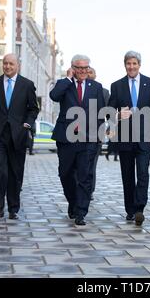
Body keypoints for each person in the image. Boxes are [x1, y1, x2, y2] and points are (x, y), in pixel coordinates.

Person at [50, 55, 105, 226]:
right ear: (72, 68)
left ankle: (81, 212)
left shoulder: (96, 87)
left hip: (88, 139)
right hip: (66, 138)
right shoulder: (64, 84)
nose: (82, 71)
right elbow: (54, 96)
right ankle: (73, 203)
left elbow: (101, 113)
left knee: (84, 176)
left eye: (85, 68)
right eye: (79, 68)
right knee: (65, 173)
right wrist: (67, 78)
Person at [0, 54, 39, 220]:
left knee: (15, 172)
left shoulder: (27, 85)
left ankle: (13, 207)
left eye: (11, 64)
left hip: (18, 135)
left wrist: (27, 125)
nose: (7, 66)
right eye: (5, 63)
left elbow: (33, 109)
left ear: (18, 65)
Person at [108, 51, 150, 226]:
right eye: (128, 63)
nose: (131, 67)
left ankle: (139, 209)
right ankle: (130, 209)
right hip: (125, 138)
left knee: (143, 173)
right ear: (125, 65)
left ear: (139, 64)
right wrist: (117, 115)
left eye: (134, 63)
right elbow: (109, 113)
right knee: (127, 175)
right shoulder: (117, 86)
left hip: (145, 137)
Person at [87, 67, 109, 201]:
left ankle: (89, 191)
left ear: (95, 75)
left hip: (96, 135)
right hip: (77, 134)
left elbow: (109, 113)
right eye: (87, 71)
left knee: (91, 165)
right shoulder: (77, 89)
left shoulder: (104, 92)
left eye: (91, 72)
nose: (88, 74)